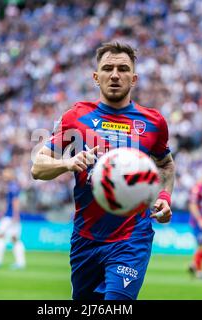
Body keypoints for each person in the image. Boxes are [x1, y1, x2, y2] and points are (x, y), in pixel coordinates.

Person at [31, 42, 175, 300]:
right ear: (96, 77)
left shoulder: (153, 122)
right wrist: (67, 163)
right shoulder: (76, 117)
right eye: (108, 68)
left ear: (134, 78)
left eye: (123, 69)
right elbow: (38, 167)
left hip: (132, 238)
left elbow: (165, 164)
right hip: (86, 238)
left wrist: (164, 198)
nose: (115, 75)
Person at [0, 168, 26, 270]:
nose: (3, 176)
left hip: (10, 217)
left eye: (5, 174)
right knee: (14, 239)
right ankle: (20, 263)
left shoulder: (12, 186)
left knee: (0, 235)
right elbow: (9, 202)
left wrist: (15, 215)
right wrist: (2, 212)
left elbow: (15, 201)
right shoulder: (12, 186)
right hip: (10, 215)